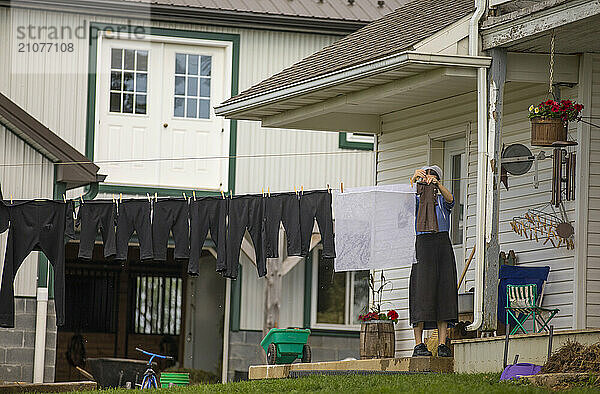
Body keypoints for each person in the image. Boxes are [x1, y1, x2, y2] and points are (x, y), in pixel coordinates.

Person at [409, 165, 458, 358]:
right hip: (423, 244)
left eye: (432, 177)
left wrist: (438, 184)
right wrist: (414, 181)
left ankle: (442, 344)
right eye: (426, 177)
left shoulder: (441, 200)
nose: (428, 179)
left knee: (444, 291)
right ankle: (419, 344)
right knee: (421, 291)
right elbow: (403, 203)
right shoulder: (416, 200)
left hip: (442, 243)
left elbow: (451, 199)